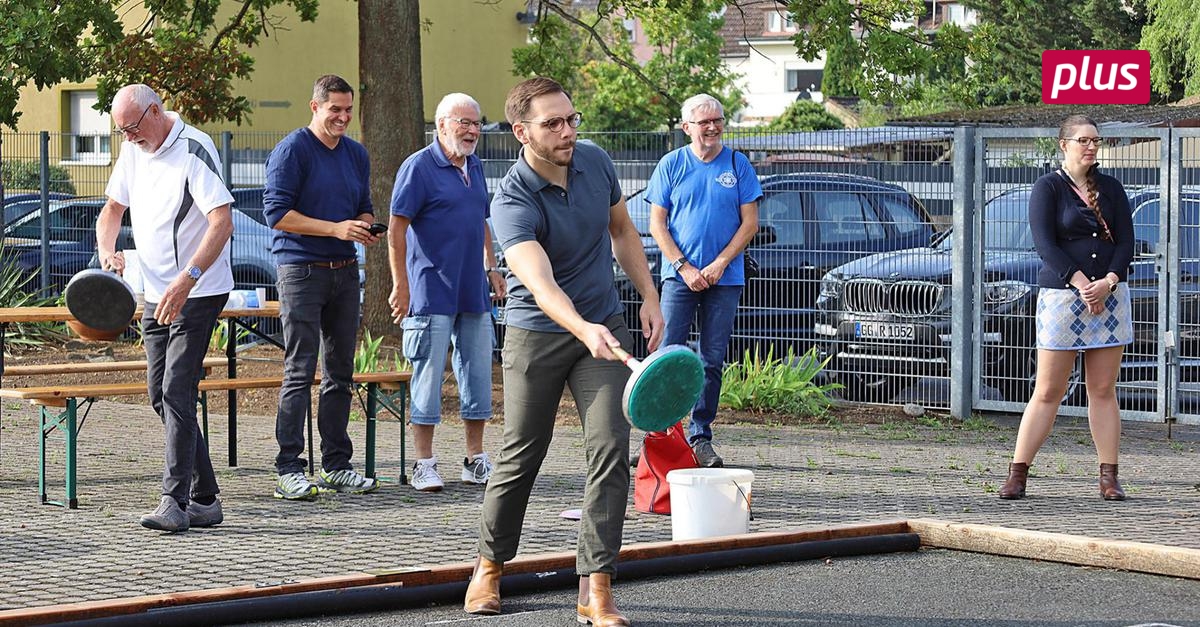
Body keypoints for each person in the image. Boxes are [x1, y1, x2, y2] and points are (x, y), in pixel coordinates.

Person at [463, 77, 663, 627]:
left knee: (610, 450)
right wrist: (582, 326)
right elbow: (540, 281)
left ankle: (596, 587)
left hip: (603, 327)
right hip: (540, 333)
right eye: (552, 123)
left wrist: (648, 295)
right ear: (522, 133)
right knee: (522, 452)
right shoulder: (511, 198)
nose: (567, 130)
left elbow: (622, 230)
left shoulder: (596, 163)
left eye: (571, 119)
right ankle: (489, 567)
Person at [97, 84, 234, 532]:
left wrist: (186, 279)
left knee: (177, 391)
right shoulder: (135, 149)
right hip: (155, 292)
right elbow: (112, 210)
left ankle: (173, 501)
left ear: (155, 112)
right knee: (159, 395)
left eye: (132, 128)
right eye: (121, 131)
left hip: (198, 289)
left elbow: (222, 221)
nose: (128, 139)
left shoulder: (194, 147)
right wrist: (108, 252)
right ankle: (207, 497)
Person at [999, 115, 1135, 501]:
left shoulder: (1111, 189)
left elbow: (1126, 242)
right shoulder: (1048, 187)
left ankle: (1109, 477)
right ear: (1064, 145)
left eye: (1095, 140)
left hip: (1108, 298)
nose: (1090, 147)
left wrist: (1107, 282)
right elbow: (1045, 245)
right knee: (1048, 390)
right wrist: (1081, 285)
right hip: (1063, 299)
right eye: (1082, 140)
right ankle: (1018, 473)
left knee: (1103, 389)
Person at [263, 74, 383, 500]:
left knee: (340, 370)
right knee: (300, 368)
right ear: (314, 107)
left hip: (345, 270)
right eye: (335, 109)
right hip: (301, 270)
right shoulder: (293, 150)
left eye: (349, 110)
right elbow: (276, 214)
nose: (343, 117)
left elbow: (363, 209)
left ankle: (336, 464)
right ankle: (288, 467)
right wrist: (335, 228)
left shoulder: (355, 154)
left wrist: (366, 227)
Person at [387, 92, 506, 492]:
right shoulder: (418, 167)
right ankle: (423, 463)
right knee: (428, 374)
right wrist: (400, 284)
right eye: (464, 123)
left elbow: (483, 220)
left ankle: (474, 459)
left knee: (477, 375)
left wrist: (492, 268)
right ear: (441, 125)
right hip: (429, 288)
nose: (472, 131)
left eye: (476, 124)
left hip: (473, 289)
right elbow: (396, 229)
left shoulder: (476, 165)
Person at [645, 93, 762, 468]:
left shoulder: (738, 165)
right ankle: (661, 436)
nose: (712, 127)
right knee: (667, 357)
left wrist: (718, 265)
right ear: (686, 128)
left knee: (711, 360)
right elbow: (657, 224)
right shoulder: (671, 164)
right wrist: (684, 267)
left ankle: (700, 436)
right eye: (704, 122)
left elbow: (750, 224)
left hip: (725, 280)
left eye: (717, 120)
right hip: (679, 279)